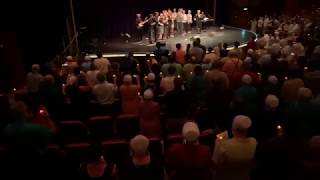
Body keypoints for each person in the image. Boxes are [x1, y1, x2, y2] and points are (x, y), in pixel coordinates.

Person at [212, 115, 257, 180]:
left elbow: (215, 163)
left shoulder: (223, 145)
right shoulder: (253, 143)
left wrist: (219, 140)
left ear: (233, 127)